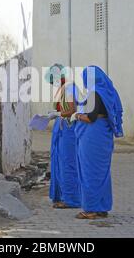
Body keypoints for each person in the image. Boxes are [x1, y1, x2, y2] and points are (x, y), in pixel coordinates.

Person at [72, 66, 124, 220]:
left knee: (90, 171)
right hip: (103, 134)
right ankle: (102, 207)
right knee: (102, 173)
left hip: (92, 136)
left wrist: (77, 115)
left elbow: (90, 117)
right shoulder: (108, 91)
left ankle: (90, 209)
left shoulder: (95, 93)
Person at [45, 64, 81, 210]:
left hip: (69, 130)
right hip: (62, 129)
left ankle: (71, 199)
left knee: (68, 164)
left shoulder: (70, 89)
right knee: (60, 163)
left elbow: (72, 110)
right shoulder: (64, 89)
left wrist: (57, 114)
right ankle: (62, 196)